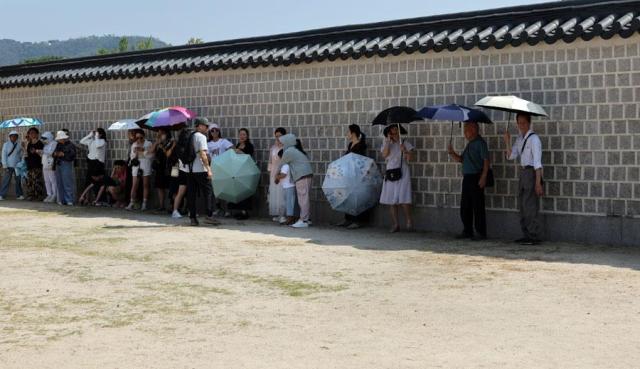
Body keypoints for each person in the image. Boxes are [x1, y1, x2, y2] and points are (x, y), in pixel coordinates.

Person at [503, 113, 544, 245]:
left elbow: (538, 162)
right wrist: (507, 141)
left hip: (531, 172)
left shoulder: (534, 139)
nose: (521, 126)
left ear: (529, 123)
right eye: (519, 123)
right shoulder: (520, 138)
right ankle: (526, 234)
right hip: (523, 172)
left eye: (524, 123)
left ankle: (534, 235)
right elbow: (511, 156)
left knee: (530, 205)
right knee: (522, 204)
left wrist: (538, 182)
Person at [448, 121, 489, 241]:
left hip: (477, 177)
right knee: (465, 205)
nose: (465, 132)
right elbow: (462, 159)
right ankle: (467, 230)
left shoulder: (480, 143)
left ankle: (481, 232)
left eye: (467, 129)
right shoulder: (470, 144)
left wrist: (483, 177)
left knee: (478, 206)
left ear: (475, 129)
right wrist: (452, 153)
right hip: (467, 178)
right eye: (465, 129)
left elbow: (486, 161)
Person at [179, 118, 219, 226]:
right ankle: (209, 216)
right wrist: (209, 169)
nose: (207, 128)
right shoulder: (201, 137)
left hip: (189, 170)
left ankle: (192, 218)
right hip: (200, 169)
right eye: (206, 126)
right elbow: (203, 154)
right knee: (208, 192)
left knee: (191, 194)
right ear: (199, 126)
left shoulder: (190, 135)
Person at [380, 125, 414, 233]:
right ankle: (396, 224)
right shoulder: (386, 143)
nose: (394, 133)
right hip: (390, 171)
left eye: (396, 131)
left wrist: (405, 151)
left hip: (402, 170)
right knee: (392, 200)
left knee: (403, 197)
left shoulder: (404, 142)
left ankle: (409, 221)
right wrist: (388, 143)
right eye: (392, 131)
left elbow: (410, 159)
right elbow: (384, 155)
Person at [335, 124, 369, 229]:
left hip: (357, 175)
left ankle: (358, 221)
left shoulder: (361, 145)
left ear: (353, 133)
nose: (347, 134)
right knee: (348, 197)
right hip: (349, 174)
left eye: (348, 132)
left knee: (357, 198)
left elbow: (360, 161)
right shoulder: (350, 145)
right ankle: (348, 219)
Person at [279, 133, 313, 228]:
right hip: (306, 175)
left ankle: (304, 220)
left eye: (283, 142)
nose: (282, 144)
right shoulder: (297, 151)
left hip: (301, 176)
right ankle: (307, 219)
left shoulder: (289, 151)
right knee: (304, 198)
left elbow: (281, 164)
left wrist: (276, 175)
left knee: (303, 199)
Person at [207, 123, 234, 216]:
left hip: (223, 168)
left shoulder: (223, 141)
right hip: (214, 168)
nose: (215, 132)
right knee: (216, 189)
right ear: (210, 132)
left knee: (225, 188)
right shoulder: (208, 144)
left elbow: (232, 149)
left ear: (219, 131)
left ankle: (227, 210)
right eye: (212, 130)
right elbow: (207, 156)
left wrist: (225, 159)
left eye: (216, 130)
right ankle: (218, 208)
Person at [229, 128, 255, 220]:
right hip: (237, 171)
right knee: (238, 191)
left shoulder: (250, 146)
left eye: (244, 134)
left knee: (245, 192)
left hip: (246, 171)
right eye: (240, 134)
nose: (242, 136)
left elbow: (249, 157)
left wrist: (240, 152)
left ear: (247, 136)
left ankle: (245, 212)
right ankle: (239, 211)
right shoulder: (238, 145)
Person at [126, 130, 153, 211]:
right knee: (134, 185)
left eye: (141, 137)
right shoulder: (134, 145)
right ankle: (131, 202)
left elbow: (150, 155)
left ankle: (144, 204)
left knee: (145, 184)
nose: (139, 139)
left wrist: (142, 151)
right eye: (137, 138)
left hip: (145, 165)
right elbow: (132, 157)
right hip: (136, 166)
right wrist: (137, 152)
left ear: (144, 137)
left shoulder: (148, 144)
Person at [150, 128, 175, 212]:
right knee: (159, 186)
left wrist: (162, 147)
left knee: (170, 187)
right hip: (159, 167)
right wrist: (157, 142)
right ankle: (161, 205)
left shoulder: (171, 141)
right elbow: (151, 151)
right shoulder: (158, 141)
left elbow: (168, 154)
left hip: (168, 167)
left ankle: (172, 205)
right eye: (159, 132)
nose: (159, 134)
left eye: (161, 132)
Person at [268, 127, 287, 223]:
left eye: (280, 136)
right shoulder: (273, 148)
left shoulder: (286, 148)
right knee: (275, 193)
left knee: (282, 193)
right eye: (276, 136)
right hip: (273, 173)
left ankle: (283, 215)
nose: (278, 138)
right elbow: (270, 161)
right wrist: (270, 172)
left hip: (283, 173)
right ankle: (278, 214)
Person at [53, 130, 77, 206]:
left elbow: (72, 156)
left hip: (66, 164)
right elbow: (54, 154)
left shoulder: (70, 145)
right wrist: (56, 154)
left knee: (67, 182)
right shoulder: (58, 145)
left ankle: (69, 199)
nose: (59, 140)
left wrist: (63, 154)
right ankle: (61, 199)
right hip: (58, 164)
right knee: (59, 182)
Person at [23, 127, 46, 201]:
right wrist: (24, 147)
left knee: (37, 181)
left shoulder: (40, 143)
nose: (31, 134)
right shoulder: (29, 143)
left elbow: (43, 154)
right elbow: (27, 154)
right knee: (30, 181)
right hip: (30, 165)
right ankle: (31, 195)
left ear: (37, 134)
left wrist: (36, 151)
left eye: (33, 133)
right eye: (30, 133)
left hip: (37, 165)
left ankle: (38, 196)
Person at [0, 131, 24, 200]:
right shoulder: (6, 144)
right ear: (9, 137)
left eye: (15, 136)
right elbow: (3, 155)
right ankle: (2, 195)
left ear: (17, 137)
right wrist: (4, 165)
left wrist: (23, 147)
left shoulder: (19, 145)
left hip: (17, 166)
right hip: (8, 165)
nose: (14, 137)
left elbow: (21, 154)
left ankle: (19, 195)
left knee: (18, 180)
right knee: (6, 181)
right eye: (12, 136)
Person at [275, 149, 296, 225]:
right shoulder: (288, 164)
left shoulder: (286, 165)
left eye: (280, 157)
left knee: (289, 202)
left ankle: (290, 217)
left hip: (289, 186)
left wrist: (277, 177)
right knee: (288, 202)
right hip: (287, 186)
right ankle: (290, 217)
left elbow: (283, 175)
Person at [39, 131, 58, 203]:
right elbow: (44, 154)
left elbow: (51, 153)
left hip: (51, 164)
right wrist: (40, 153)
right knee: (47, 181)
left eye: (45, 138)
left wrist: (43, 152)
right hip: (44, 164)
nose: (43, 140)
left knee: (53, 180)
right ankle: (49, 194)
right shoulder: (45, 145)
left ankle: (54, 194)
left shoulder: (54, 143)